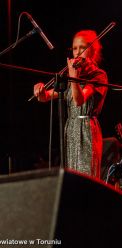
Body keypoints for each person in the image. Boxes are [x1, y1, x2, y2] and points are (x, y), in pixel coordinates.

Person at [34, 30, 108, 178]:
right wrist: (40, 91)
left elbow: (79, 100)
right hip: (71, 128)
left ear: (93, 50)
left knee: (86, 176)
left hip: (86, 129)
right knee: (72, 176)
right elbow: (46, 97)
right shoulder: (73, 75)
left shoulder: (98, 75)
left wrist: (74, 78)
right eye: (75, 48)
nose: (78, 52)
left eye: (83, 47)